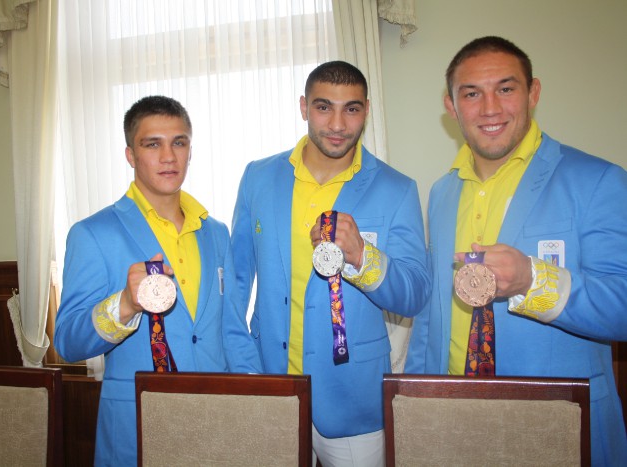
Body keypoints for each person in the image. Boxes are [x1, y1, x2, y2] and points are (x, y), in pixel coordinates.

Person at [405, 36, 627, 465]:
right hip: (454, 418)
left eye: (505, 89)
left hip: (556, 425)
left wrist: (533, 281)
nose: (490, 108)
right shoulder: (442, 192)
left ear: (533, 93)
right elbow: (433, 312)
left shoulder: (597, 181)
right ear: (452, 107)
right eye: (472, 94)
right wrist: (417, 395)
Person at [231, 61, 430, 466]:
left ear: (366, 111)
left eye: (351, 109)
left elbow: (415, 294)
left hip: (355, 399)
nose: (338, 124)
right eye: (324, 107)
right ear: (304, 107)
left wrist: (364, 257)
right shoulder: (258, 177)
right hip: (272, 385)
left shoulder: (397, 188)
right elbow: (236, 281)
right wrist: (245, 368)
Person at [54, 95, 262, 466]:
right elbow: (68, 342)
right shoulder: (92, 234)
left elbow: (232, 329)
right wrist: (125, 305)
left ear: (190, 151)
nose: (169, 156)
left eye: (178, 142)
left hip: (216, 421)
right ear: (131, 155)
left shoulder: (216, 232)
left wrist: (254, 394)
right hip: (136, 427)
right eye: (153, 144)